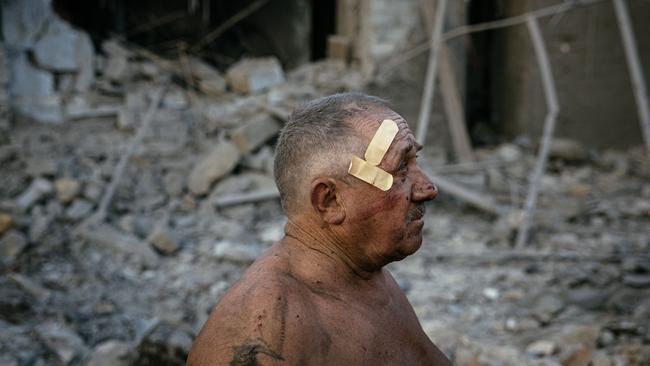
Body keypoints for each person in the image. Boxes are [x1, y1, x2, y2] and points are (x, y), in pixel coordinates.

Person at [187, 93, 452, 365]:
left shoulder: (370, 280)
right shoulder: (268, 324)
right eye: (401, 170)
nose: (428, 189)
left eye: (414, 162)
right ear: (330, 201)